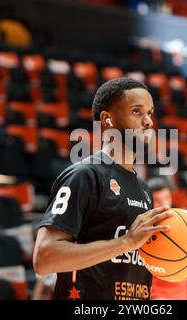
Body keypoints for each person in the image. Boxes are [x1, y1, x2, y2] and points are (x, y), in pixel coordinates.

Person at [33, 77, 172, 300]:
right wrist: (125, 242)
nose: (148, 122)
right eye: (137, 112)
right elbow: (44, 258)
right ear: (107, 120)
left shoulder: (145, 191)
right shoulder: (84, 175)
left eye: (150, 113)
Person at [147, 177, 187, 300]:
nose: (164, 205)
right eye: (158, 200)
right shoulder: (144, 227)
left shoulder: (183, 223)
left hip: (181, 291)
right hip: (156, 292)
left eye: (167, 198)